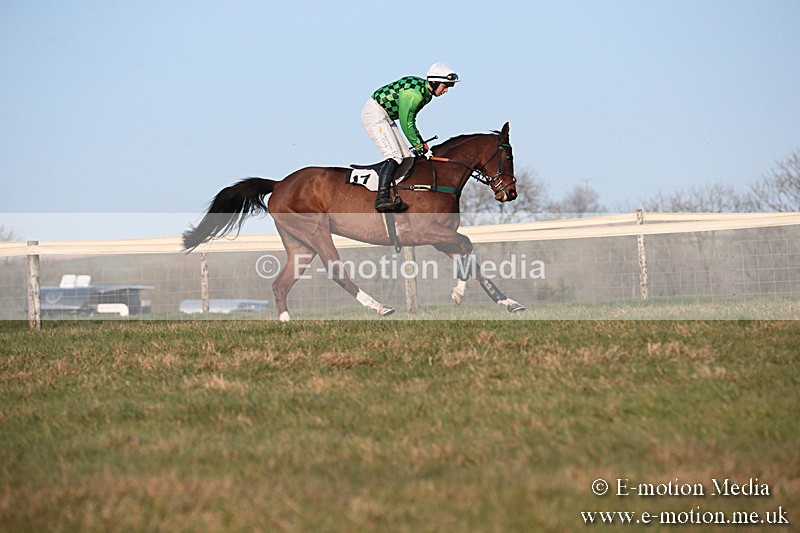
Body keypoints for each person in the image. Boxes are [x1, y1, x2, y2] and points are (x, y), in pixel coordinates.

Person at [361, 62, 460, 212]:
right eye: (445, 85)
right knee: (394, 155)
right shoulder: (415, 94)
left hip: (386, 117)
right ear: (434, 82)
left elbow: (410, 122)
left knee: (405, 156)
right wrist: (420, 147)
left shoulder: (426, 95)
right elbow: (407, 123)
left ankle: (397, 194)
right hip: (375, 114)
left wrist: (421, 143)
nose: (446, 90)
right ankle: (381, 198)